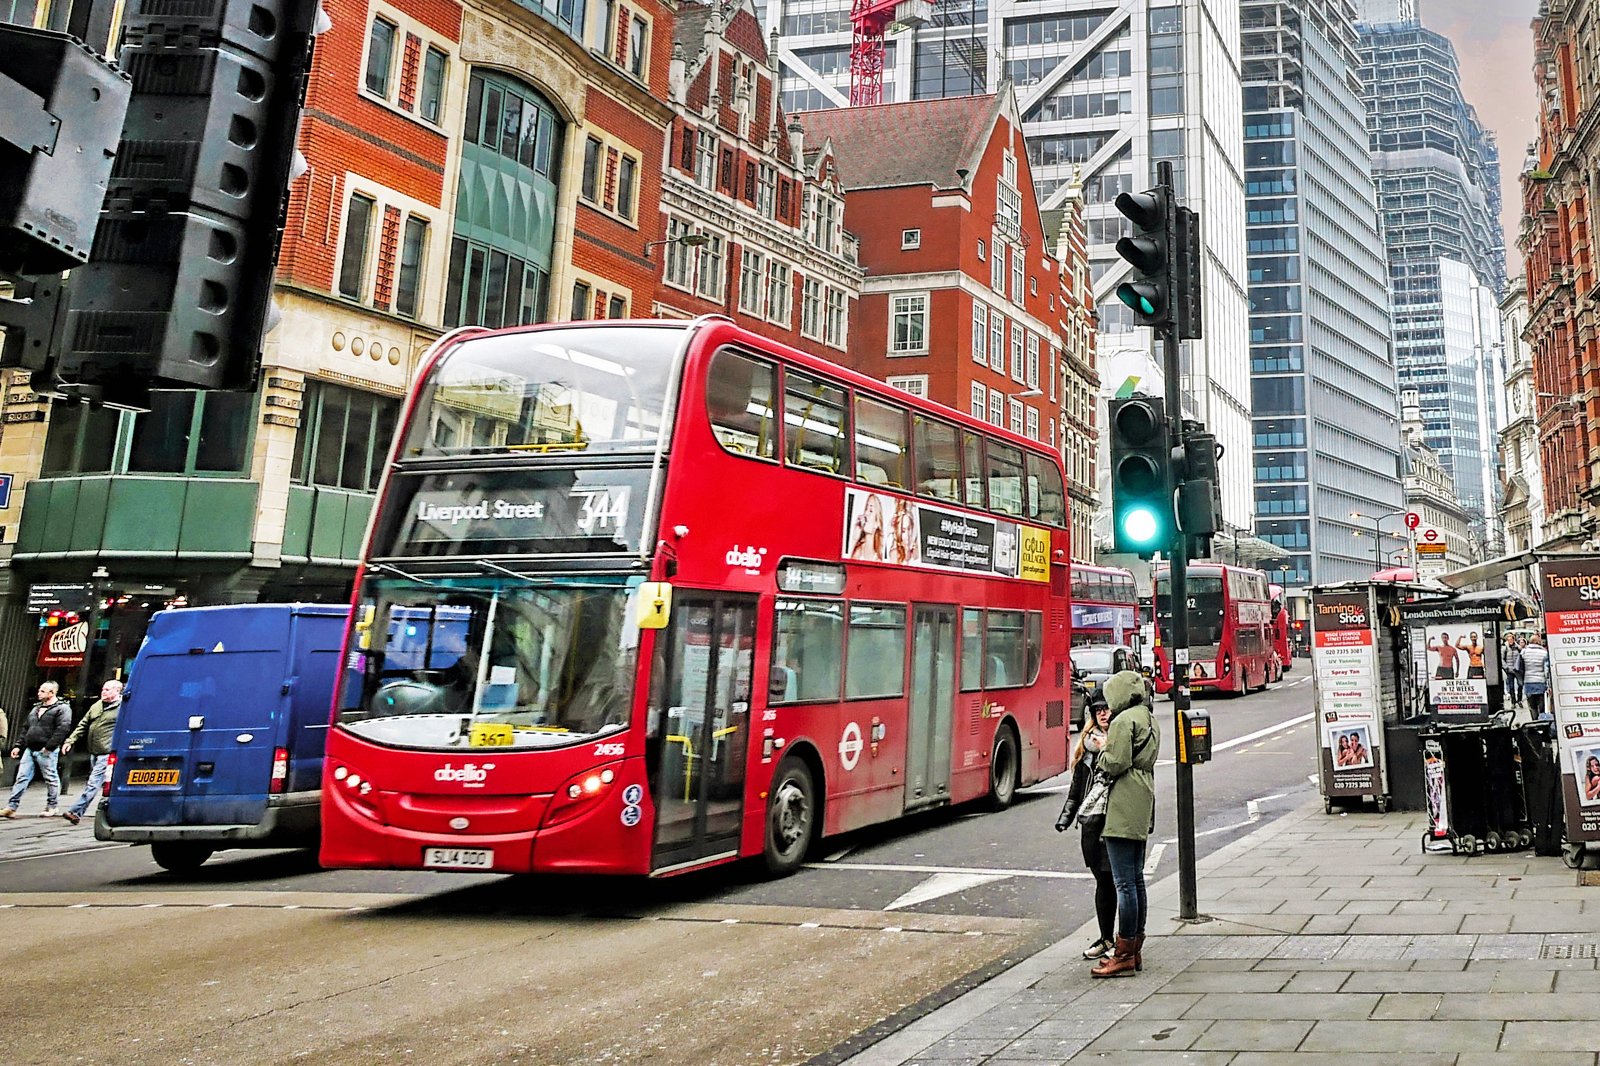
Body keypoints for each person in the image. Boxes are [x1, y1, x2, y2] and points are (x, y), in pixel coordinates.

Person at [1091, 669, 1160, 979]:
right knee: (1136, 878)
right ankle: (1135, 947)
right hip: (1144, 794)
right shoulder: (1148, 717)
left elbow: (1116, 761)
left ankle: (1123, 953)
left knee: (1123, 883)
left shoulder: (1123, 721)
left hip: (1123, 801)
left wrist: (1102, 749)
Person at [1058, 693, 1115, 960]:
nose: (1103, 714)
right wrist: (1066, 818)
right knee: (1102, 881)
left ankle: (1116, 939)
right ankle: (1107, 938)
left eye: (1107, 709)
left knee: (1114, 881)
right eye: (1098, 710)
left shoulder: (1119, 743)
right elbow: (1076, 790)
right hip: (1091, 825)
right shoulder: (1087, 748)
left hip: (1113, 822)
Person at [2, 682, 72, 818]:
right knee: (22, 777)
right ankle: (11, 806)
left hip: (46, 749)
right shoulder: (36, 709)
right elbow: (26, 728)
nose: (39, 693)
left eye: (42, 691)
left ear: (52, 693)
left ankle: (52, 806)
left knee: (50, 777)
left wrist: (49, 747)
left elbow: (62, 729)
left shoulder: (62, 709)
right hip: (30, 748)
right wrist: (18, 745)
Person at [60, 679, 123, 826]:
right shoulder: (97, 705)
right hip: (94, 752)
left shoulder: (122, 708)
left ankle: (75, 811)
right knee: (106, 784)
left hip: (107, 753)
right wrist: (70, 740)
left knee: (93, 783)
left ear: (117, 691)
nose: (104, 692)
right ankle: (112, 812)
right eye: (103, 689)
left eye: (107, 690)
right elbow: (83, 723)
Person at [846, 494, 886, 561]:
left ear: (877, 523)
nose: (866, 513)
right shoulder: (858, 549)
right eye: (866, 509)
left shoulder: (880, 556)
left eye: (870, 511)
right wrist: (854, 538)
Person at [1521, 636, 1550, 719]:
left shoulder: (1524, 652)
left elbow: (1519, 667)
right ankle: (1541, 721)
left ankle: (1534, 721)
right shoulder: (1544, 653)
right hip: (1540, 681)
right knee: (1541, 704)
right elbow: (1546, 669)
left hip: (1528, 681)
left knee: (1532, 705)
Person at [1504, 636, 1524, 707]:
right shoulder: (1505, 648)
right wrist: (1506, 667)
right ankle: (1513, 701)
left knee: (1520, 685)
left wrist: (1517, 646)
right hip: (1509, 670)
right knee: (1511, 687)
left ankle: (1519, 700)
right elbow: (1502, 658)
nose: (1510, 641)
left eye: (1512, 639)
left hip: (1517, 670)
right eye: (1509, 640)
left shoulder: (1517, 647)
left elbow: (1522, 654)